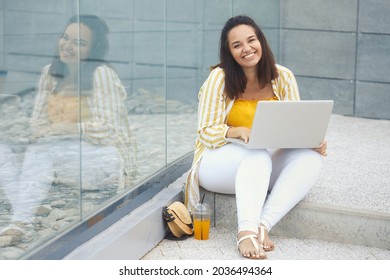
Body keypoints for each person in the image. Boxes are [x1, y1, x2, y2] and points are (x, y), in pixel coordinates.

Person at [184, 15, 327, 259]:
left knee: (310, 159)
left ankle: (263, 226)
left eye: (251, 40)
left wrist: (311, 139)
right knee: (257, 154)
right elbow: (205, 132)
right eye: (237, 45)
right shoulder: (218, 79)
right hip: (218, 163)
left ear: (261, 41)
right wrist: (234, 131)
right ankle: (246, 232)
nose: (247, 49)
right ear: (229, 52)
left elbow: (294, 125)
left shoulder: (283, 77)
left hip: (264, 164)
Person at [0, 15, 136, 240]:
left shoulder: (101, 74)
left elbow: (111, 130)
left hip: (103, 158)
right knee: (4, 149)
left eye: (79, 43)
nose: (68, 46)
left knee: (41, 150)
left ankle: (20, 223)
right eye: (65, 38)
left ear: (93, 50)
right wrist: (34, 135)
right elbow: (38, 122)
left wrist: (65, 129)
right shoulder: (49, 72)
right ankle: (27, 205)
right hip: (64, 156)